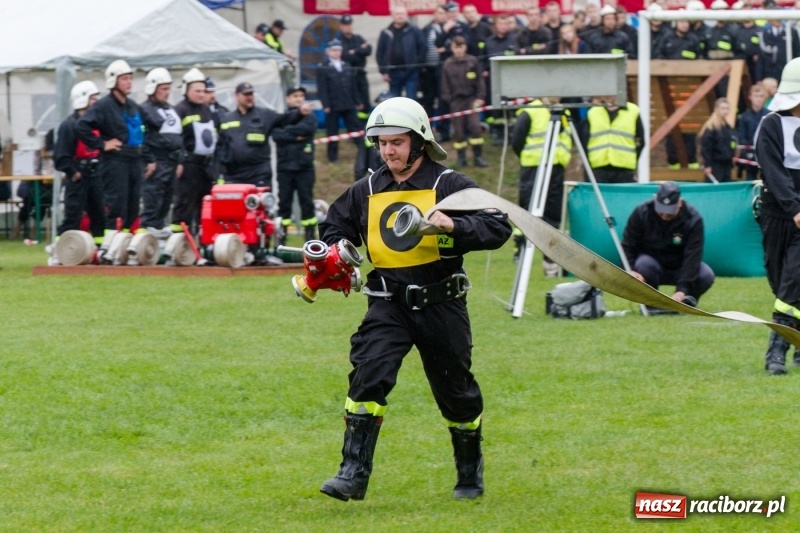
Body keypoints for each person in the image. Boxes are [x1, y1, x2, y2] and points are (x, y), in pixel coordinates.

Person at [317, 96, 512, 502]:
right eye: (382, 143)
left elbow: (497, 226)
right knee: (368, 374)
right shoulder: (366, 190)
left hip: (442, 303)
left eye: (397, 142)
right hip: (388, 303)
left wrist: (453, 224)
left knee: (455, 392)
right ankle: (352, 472)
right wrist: (337, 252)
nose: (389, 151)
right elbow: (332, 228)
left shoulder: (450, 185)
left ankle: (468, 470)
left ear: (419, 141)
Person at [754, 58, 800, 375]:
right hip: (777, 214)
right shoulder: (771, 124)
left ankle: (776, 351)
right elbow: (773, 171)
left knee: (792, 284)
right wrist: (794, 208)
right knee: (779, 280)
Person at [76, 60, 156, 238]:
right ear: (113, 81)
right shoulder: (103, 106)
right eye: (124, 78)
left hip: (135, 161)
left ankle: (125, 243)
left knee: (133, 206)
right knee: (116, 205)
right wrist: (102, 144)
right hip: (115, 162)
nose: (129, 82)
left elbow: (146, 129)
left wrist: (149, 158)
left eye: (130, 78)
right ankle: (111, 245)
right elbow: (82, 126)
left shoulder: (132, 105)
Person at [622, 181, 715, 311]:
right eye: (661, 212)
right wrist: (630, 269)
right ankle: (651, 303)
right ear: (655, 200)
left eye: (670, 213)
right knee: (644, 264)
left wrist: (682, 290)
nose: (665, 216)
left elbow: (693, 256)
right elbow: (628, 245)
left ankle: (686, 302)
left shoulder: (693, 219)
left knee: (706, 274)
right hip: (651, 266)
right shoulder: (641, 213)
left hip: (680, 266)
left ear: (680, 203)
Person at [510, 98, 571, 274]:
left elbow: (565, 138)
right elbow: (517, 142)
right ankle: (520, 250)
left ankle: (550, 256)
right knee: (527, 210)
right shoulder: (530, 112)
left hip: (556, 167)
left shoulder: (563, 112)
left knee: (553, 212)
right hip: (534, 167)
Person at [53, 81, 105, 244]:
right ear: (82, 99)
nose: (96, 103)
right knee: (72, 217)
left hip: (97, 176)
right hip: (79, 177)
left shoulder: (97, 124)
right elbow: (61, 156)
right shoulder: (69, 125)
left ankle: (99, 249)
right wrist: (73, 173)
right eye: (93, 99)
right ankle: (60, 249)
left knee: (99, 216)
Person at [170, 67, 217, 234]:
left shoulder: (206, 110)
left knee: (205, 207)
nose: (201, 94)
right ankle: (178, 240)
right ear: (186, 90)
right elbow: (175, 139)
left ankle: (203, 241)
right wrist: (180, 161)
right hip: (189, 167)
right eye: (197, 91)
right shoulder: (179, 110)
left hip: (206, 167)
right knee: (185, 204)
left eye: (203, 91)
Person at [272, 85, 318, 243]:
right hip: (284, 168)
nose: (298, 99)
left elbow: (307, 129)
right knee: (284, 203)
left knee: (306, 201)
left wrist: (289, 132)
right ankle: (281, 236)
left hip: (304, 168)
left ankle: (310, 236)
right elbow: (277, 135)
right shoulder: (281, 117)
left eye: (301, 96)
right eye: (294, 96)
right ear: (287, 99)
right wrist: (296, 135)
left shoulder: (309, 116)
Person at [139, 68, 182, 236]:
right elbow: (141, 136)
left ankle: (158, 227)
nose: (167, 93)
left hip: (172, 160)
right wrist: (149, 159)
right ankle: (146, 233)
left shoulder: (170, 109)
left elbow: (179, 134)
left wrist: (180, 160)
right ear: (152, 89)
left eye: (168, 88)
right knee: (152, 197)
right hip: (156, 160)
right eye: (163, 89)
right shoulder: (145, 110)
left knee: (167, 198)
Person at [217, 82, 285, 187]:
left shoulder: (265, 115)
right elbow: (220, 144)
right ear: (236, 96)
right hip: (234, 175)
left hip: (258, 173)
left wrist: (300, 113)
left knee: (260, 202)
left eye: (251, 94)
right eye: (246, 95)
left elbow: (286, 119)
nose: (249, 97)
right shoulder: (226, 118)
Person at [440, 36, 487, 168]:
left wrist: (480, 97)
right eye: (456, 47)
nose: (459, 50)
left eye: (461, 47)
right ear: (452, 48)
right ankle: (461, 158)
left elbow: (480, 81)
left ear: (465, 47)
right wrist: (449, 99)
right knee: (459, 131)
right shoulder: (447, 64)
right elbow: (445, 84)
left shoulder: (472, 61)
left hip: (472, 99)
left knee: (475, 127)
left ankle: (478, 157)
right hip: (456, 101)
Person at [316, 39, 363, 164]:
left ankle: (363, 152)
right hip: (333, 104)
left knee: (355, 127)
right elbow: (322, 88)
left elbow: (353, 86)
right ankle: (333, 156)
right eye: (333, 50)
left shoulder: (346, 65)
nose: (336, 53)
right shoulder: (323, 67)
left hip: (348, 103)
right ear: (328, 51)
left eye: (338, 50)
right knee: (333, 131)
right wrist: (325, 104)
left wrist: (357, 101)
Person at [581, 95, 645, 184]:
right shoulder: (592, 112)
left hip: (624, 169)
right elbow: (584, 142)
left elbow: (640, 141)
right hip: (598, 169)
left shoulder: (633, 111)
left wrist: (632, 161)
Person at [376, 6, 427, 99]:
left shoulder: (414, 30)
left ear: (406, 15)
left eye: (402, 14)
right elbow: (380, 53)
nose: (400, 16)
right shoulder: (386, 32)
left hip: (411, 72)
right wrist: (383, 71)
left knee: (411, 98)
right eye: (397, 14)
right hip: (393, 73)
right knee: (394, 100)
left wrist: (417, 65)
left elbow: (423, 48)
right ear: (392, 15)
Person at [335, 15, 373, 123]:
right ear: (341, 26)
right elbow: (345, 56)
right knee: (353, 103)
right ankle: (355, 130)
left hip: (360, 74)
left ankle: (365, 129)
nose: (348, 27)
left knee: (365, 102)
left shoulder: (358, 38)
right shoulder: (338, 41)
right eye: (345, 25)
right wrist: (359, 50)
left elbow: (369, 50)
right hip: (348, 77)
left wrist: (355, 51)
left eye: (350, 25)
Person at [353, 91, 394, 181]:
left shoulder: (403, 127)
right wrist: (358, 177)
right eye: (380, 104)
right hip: (377, 176)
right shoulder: (371, 125)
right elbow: (362, 156)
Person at [699, 97, 737, 183]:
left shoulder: (728, 128)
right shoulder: (711, 127)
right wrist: (707, 165)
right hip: (715, 165)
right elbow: (706, 147)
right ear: (716, 109)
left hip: (726, 165)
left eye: (727, 108)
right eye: (722, 108)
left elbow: (732, 143)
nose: (725, 111)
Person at [737, 83, 769, 180]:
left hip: (766, 154)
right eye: (756, 96)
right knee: (750, 179)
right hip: (750, 154)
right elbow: (741, 136)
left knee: (768, 180)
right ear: (750, 97)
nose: (758, 99)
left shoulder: (770, 115)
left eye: (761, 96)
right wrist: (747, 151)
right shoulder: (744, 117)